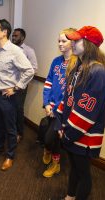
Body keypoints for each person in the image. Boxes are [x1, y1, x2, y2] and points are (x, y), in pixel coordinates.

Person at [56, 26, 105, 200]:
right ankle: (70, 196)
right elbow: (68, 99)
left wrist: (67, 134)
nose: (72, 43)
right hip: (71, 131)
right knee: (74, 168)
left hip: (84, 134)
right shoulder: (78, 67)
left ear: (88, 44)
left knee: (83, 173)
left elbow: (87, 112)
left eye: (77, 40)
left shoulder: (98, 71)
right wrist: (60, 123)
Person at [0, 19, 34, 171]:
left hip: (8, 97)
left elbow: (29, 70)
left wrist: (17, 87)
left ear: (4, 32)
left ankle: (10, 156)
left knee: (10, 129)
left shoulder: (15, 51)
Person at [41, 28, 77, 178]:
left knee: (50, 138)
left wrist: (57, 109)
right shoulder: (56, 61)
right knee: (50, 136)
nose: (60, 44)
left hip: (63, 111)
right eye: (59, 41)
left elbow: (74, 92)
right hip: (51, 107)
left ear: (72, 43)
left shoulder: (77, 64)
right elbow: (49, 82)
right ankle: (51, 154)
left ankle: (55, 164)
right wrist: (47, 103)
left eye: (64, 41)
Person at [11, 28, 38, 143]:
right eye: (13, 35)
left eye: (16, 36)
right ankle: (10, 132)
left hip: (20, 86)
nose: (13, 38)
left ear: (22, 37)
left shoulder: (29, 51)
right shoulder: (10, 49)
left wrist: (23, 80)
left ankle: (19, 133)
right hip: (9, 85)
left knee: (18, 109)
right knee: (9, 109)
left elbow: (34, 68)